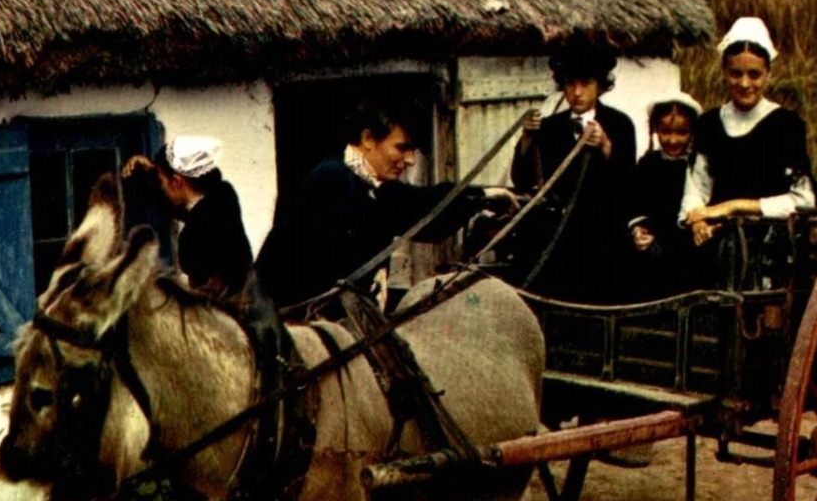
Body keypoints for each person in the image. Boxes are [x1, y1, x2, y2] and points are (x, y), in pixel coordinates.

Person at [256, 102, 514, 314]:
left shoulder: (369, 184)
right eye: (402, 148)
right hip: (296, 320)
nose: (411, 160)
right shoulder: (329, 181)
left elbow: (423, 207)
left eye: (412, 150)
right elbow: (315, 275)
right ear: (368, 139)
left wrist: (483, 196)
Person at [508, 43, 638, 302]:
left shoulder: (619, 124)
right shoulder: (550, 127)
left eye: (585, 84)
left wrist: (605, 146)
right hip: (558, 235)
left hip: (602, 235)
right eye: (569, 84)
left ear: (600, 85)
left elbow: (629, 183)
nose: (576, 93)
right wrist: (526, 141)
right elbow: (522, 180)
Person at [679, 17, 817, 256]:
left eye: (754, 75)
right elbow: (696, 188)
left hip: (771, 246)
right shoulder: (709, 124)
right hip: (717, 240)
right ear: (724, 71)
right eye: (735, 73)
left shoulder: (786, 125)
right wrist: (697, 220)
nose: (744, 84)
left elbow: (803, 200)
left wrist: (733, 206)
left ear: (767, 74)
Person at [622, 92, 701, 300]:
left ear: (692, 131)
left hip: (686, 246)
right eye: (666, 132)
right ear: (655, 129)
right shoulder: (648, 164)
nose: (673, 140)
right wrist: (638, 229)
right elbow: (635, 203)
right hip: (651, 247)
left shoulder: (696, 168)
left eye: (681, 133)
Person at [154, 136, 252, 301]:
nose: (161, 187)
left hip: (227, 312)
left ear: (177, 181)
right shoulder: (222, 197)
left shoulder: (209, 219)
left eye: (161, 181)